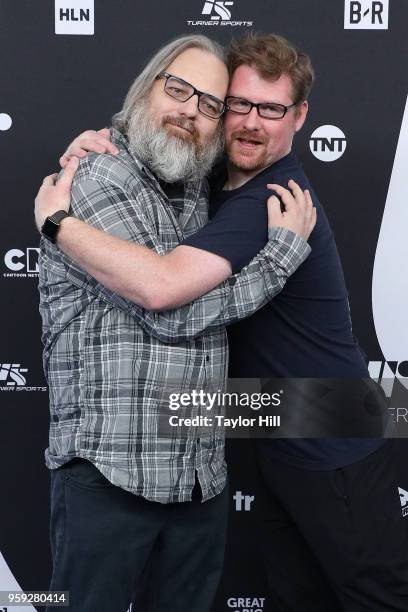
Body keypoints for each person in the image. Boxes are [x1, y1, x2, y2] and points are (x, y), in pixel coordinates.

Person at [37, 32, 408, 611]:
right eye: (237, 105)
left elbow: (161, 289)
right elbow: (154, 149)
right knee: (299, 596)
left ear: (299, 116)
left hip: (333, 432)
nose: (251, 123)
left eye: (272, 109)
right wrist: (97, 141)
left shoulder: (269, 200)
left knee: (373, 596)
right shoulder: (205, 183)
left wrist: (55, 222)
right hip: (271, 428)